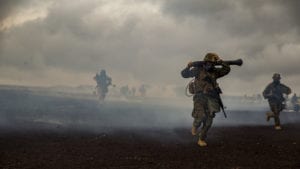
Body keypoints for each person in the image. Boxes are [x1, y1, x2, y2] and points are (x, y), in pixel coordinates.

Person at [181, 53, 231, 147]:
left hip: (211, 98)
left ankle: (201, 139)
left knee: (208, 121)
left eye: (212, 63)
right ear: (205, 62)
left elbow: (226, 70)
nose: (210, 65)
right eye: (208, 63)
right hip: (199, 97)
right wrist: (188, 67)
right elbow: (184, 74)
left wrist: (221, 62)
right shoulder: (198, 70)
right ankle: (195, 125)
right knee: (200, 116)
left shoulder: (215, 71)